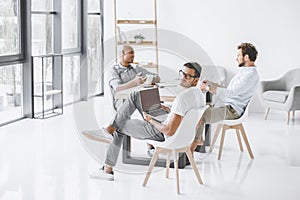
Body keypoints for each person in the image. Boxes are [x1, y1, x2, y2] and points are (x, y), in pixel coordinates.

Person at [90, 62, 205, 181]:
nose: (183, 77)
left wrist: (150, 120)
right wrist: (171, 110)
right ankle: (112, 131)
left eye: (188, 76)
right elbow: (197, 121)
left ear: (196, 80)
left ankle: (107, 168)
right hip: (172, 126)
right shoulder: (199, 95)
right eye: (182, 73)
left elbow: (169, 131)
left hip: (160, 131)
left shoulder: (182, 98)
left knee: (120, 124)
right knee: (136, 95)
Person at [190, 42, 260, 153]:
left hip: (232, 110)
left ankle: (191, 151)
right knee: (197, 109)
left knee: (199, 115)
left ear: (246, 57)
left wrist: (208, 88)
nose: (236, 59)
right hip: (227, 106)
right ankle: (198, 140)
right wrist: (211, 84)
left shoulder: (250, 76)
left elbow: (230, 93)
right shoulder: (245, 72)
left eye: (238, 55)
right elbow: (229, 90)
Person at [107, 45, 161, 156]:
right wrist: (135, 82)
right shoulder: (114, 70)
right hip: (122, 101)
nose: (133, 55)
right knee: (125, 119)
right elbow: (117, 88)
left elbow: (157, 77)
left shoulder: (135, 68)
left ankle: (151, 141)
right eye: (130, 53)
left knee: (150, 106)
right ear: (122, 54)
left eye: (133, 53)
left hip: (139, 99)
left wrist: (150, 79)